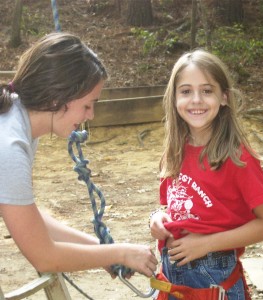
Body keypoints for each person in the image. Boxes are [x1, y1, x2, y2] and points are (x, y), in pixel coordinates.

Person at [0, 32, 157, 278]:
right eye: (87, 105)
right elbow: (44, 256)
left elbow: (28, 217)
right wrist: (120, 253)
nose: (91, 115)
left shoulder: (19, 122)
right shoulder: (10, 144)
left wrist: (103, 249)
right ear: (57, 98)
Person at [149, 49, 263, 299]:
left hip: (213, 277)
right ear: (174, 98)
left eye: (207, 90)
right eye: (186, 91)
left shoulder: (237, 157)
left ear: (224, 97)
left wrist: (206, 243)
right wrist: (156, 217)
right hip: (172, 277)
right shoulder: (173, 153)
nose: (196, 99)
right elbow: (176, 207)